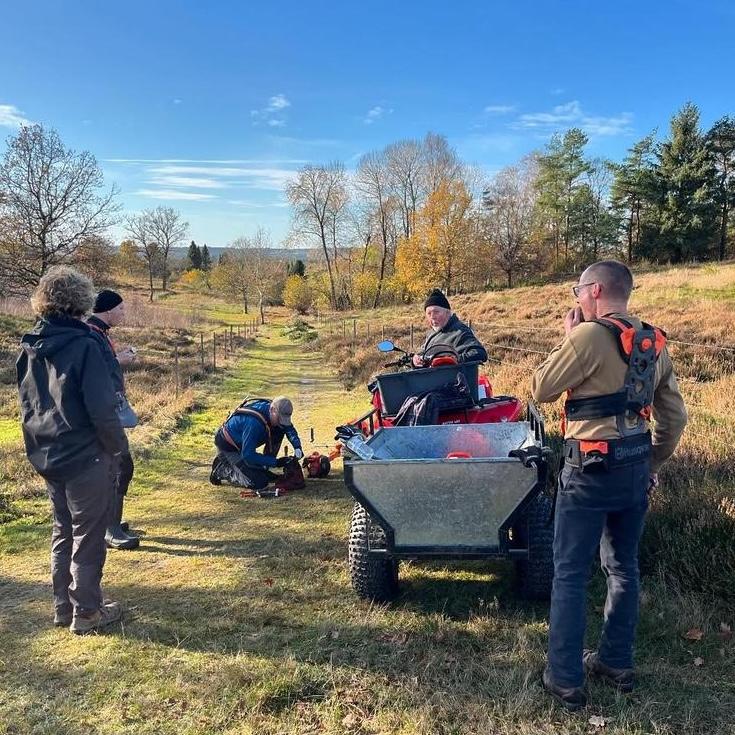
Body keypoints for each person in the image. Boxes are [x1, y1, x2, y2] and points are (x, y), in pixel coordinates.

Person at [531, 260, 687, 710]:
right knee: (623, 568)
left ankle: (564, 677)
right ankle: (616, 662)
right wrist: (652, 460)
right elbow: (674, 418)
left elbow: (541, 386)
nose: (576, 299)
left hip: (588, 474)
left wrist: (568, 337)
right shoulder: (653, 342)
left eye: (578, 290)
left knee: (570, 574)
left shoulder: (588, 335)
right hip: (635, 472)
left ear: (596, 290)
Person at [17, 266, 128, 635]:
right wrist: (117, 449)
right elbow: (101, 407)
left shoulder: (29, 346)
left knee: (63, 529)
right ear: (82, 301)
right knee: (89, 534)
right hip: (86, 454)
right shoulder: (86, 345)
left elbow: (28, 406)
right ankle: (88, 612)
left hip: (48, 451)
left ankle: (64, 608)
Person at [87, 289, 140, 550]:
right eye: (120, 309)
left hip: (108, 411)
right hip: (100, 415)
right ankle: (109, 529)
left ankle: (112, 521)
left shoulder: (100, 334)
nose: (123, 313)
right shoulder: (91, 335)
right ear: (108, 310)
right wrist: (119, 360)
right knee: (119, 467)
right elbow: (93, 371)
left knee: (120, 467)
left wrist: (118, 361)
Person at [209, 396, 304, 491]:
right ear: (272, 410)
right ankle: (221, 470)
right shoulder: (254, 424)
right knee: (259, 482)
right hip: (228, 447)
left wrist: (297, 447)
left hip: (242, 445)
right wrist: (276, 462)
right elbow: (248, 455)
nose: (281, 422)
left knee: (279, 429)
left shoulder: (275, 408)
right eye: (280, 418)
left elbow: (288, 428)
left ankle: (264, 468)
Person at [412, 289, 487, 367]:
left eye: (436, 312)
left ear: (448, 312)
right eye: (429, 313)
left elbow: (480, 353)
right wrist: (415, 359)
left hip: (452, 377)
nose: (432, 317)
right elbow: (423, 353)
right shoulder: (432, 333)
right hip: (430, 377)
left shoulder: (460, 332)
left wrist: (455, 359)